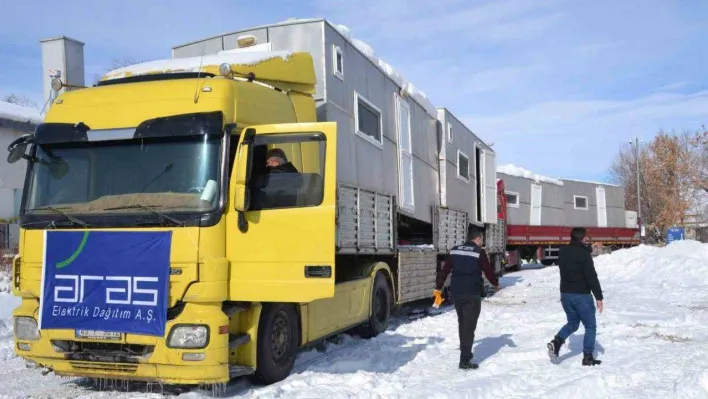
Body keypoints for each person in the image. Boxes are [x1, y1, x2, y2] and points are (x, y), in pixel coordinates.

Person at [433, 228, 500, 370]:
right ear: (477, 239)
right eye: (481, 239)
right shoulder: (478, 252)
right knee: (469, 326)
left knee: (462, 322)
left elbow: (444, 271)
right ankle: (464, 360)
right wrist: (496, 284)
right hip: (472, 293)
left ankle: (466, 353)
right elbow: (488, 271)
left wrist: (438, 287)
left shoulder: (455, 250)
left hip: (457, 293)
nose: (482, 242)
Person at [547, 227, 603, 366]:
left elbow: (577, 252)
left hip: (565, 295)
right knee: (590, 326)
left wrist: (591, 248)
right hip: (581, 295)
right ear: (583, 238)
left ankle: (556, 342)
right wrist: (599, 297)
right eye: (586, 238)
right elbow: (591, 276)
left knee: (573, 323)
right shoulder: (584, 254)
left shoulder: (563, 251)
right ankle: (588, 356)